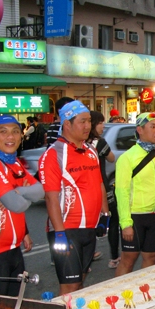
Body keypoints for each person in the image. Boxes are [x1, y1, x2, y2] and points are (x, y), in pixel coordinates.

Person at [39, 100, 110, 295]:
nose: (87, 126)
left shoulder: (91, 151)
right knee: (69, 286)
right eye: (82, 121)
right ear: (67, 124)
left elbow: (99, 184)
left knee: (80, 283)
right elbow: (51, 198)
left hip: (88, 228)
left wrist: (105, 213)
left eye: (89, 121)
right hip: (67, 230)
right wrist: (59, 233)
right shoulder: (54, 154)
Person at [0, 115, 44, 296]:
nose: (10, 137)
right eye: (3, 132)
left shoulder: (14, 162)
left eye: (15, 132)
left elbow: (41, 191)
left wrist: (18, 191)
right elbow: (16, 205)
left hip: (14, 248)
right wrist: (19, 194)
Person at [114, 112, 155, 276]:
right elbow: (121, 191)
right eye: (152, 127)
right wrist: (126, 223)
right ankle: (119, 297)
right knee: (129, 258)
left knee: (151, 256)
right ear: (140, 130)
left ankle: (145, 294)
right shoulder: (127, 158)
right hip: (135, 216)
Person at [87, 111, 115, 266]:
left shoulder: (81, 142)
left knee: (89, 219)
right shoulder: (100, 142)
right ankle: (114, 256)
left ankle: (88, 253)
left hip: (86, 187)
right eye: (100, 123)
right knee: (109, 217)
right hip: (101, 184)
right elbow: (111, 158)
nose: (103, 126)